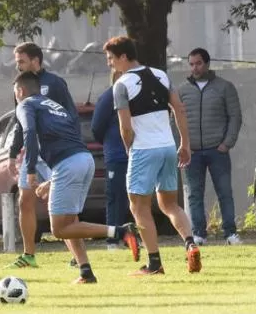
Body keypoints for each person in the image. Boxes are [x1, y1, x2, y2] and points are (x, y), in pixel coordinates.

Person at [14, 72, 141, 284]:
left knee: (60, 229)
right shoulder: (53, 106)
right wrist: (53, 181)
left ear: (20, 91)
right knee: (71, 220)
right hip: (83, 159)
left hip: (68, 164)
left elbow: (28, 131)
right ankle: (85, 272)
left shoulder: (25, 104)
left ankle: (120, 231)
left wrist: (30, 169)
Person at [104, 36, 201, 275]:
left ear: (123, 57)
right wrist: (185, 143)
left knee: (139, 207)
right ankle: (190, 244)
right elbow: (179, 108)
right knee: (170, 204)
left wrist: (129, 147)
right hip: (168, 147)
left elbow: (125, 127)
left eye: (111, 59)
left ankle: (155, 263)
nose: (110, 64)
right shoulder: (161, 75)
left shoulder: (121, 85)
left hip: (143, 149)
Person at [6, 42, 77, 269]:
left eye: (21, 61)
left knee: (63, 206)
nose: (18, 66)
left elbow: (71, 116)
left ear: (35, 60)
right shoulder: (20, 86)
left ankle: (77, 255)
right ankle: (29, 254)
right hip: (31, 154)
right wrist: (12, 153)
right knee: (24, 200)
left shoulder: (55, 83)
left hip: (53, 153)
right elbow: (20, 122)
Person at [176, 48, 243, 245]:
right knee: (194, 194)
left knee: (224, 192)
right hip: (192, 152)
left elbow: (235, 117)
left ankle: (230, 233)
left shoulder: (225, 87)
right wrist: (183, 145)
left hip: (218, 150)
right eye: (191, 64)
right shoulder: (183, 91)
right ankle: (199, 234)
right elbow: (175, 120)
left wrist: (226, 143)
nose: (194, 68)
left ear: (207, 64)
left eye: (198, 63)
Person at [91, 69, 132, 249]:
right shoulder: (109, 97)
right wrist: (110, 142)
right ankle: (112, 240)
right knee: (115, 197)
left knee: (133, 198)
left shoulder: (135, 97)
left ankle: (128, 236)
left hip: (136, 154)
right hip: (117, 155)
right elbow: (96, 127)